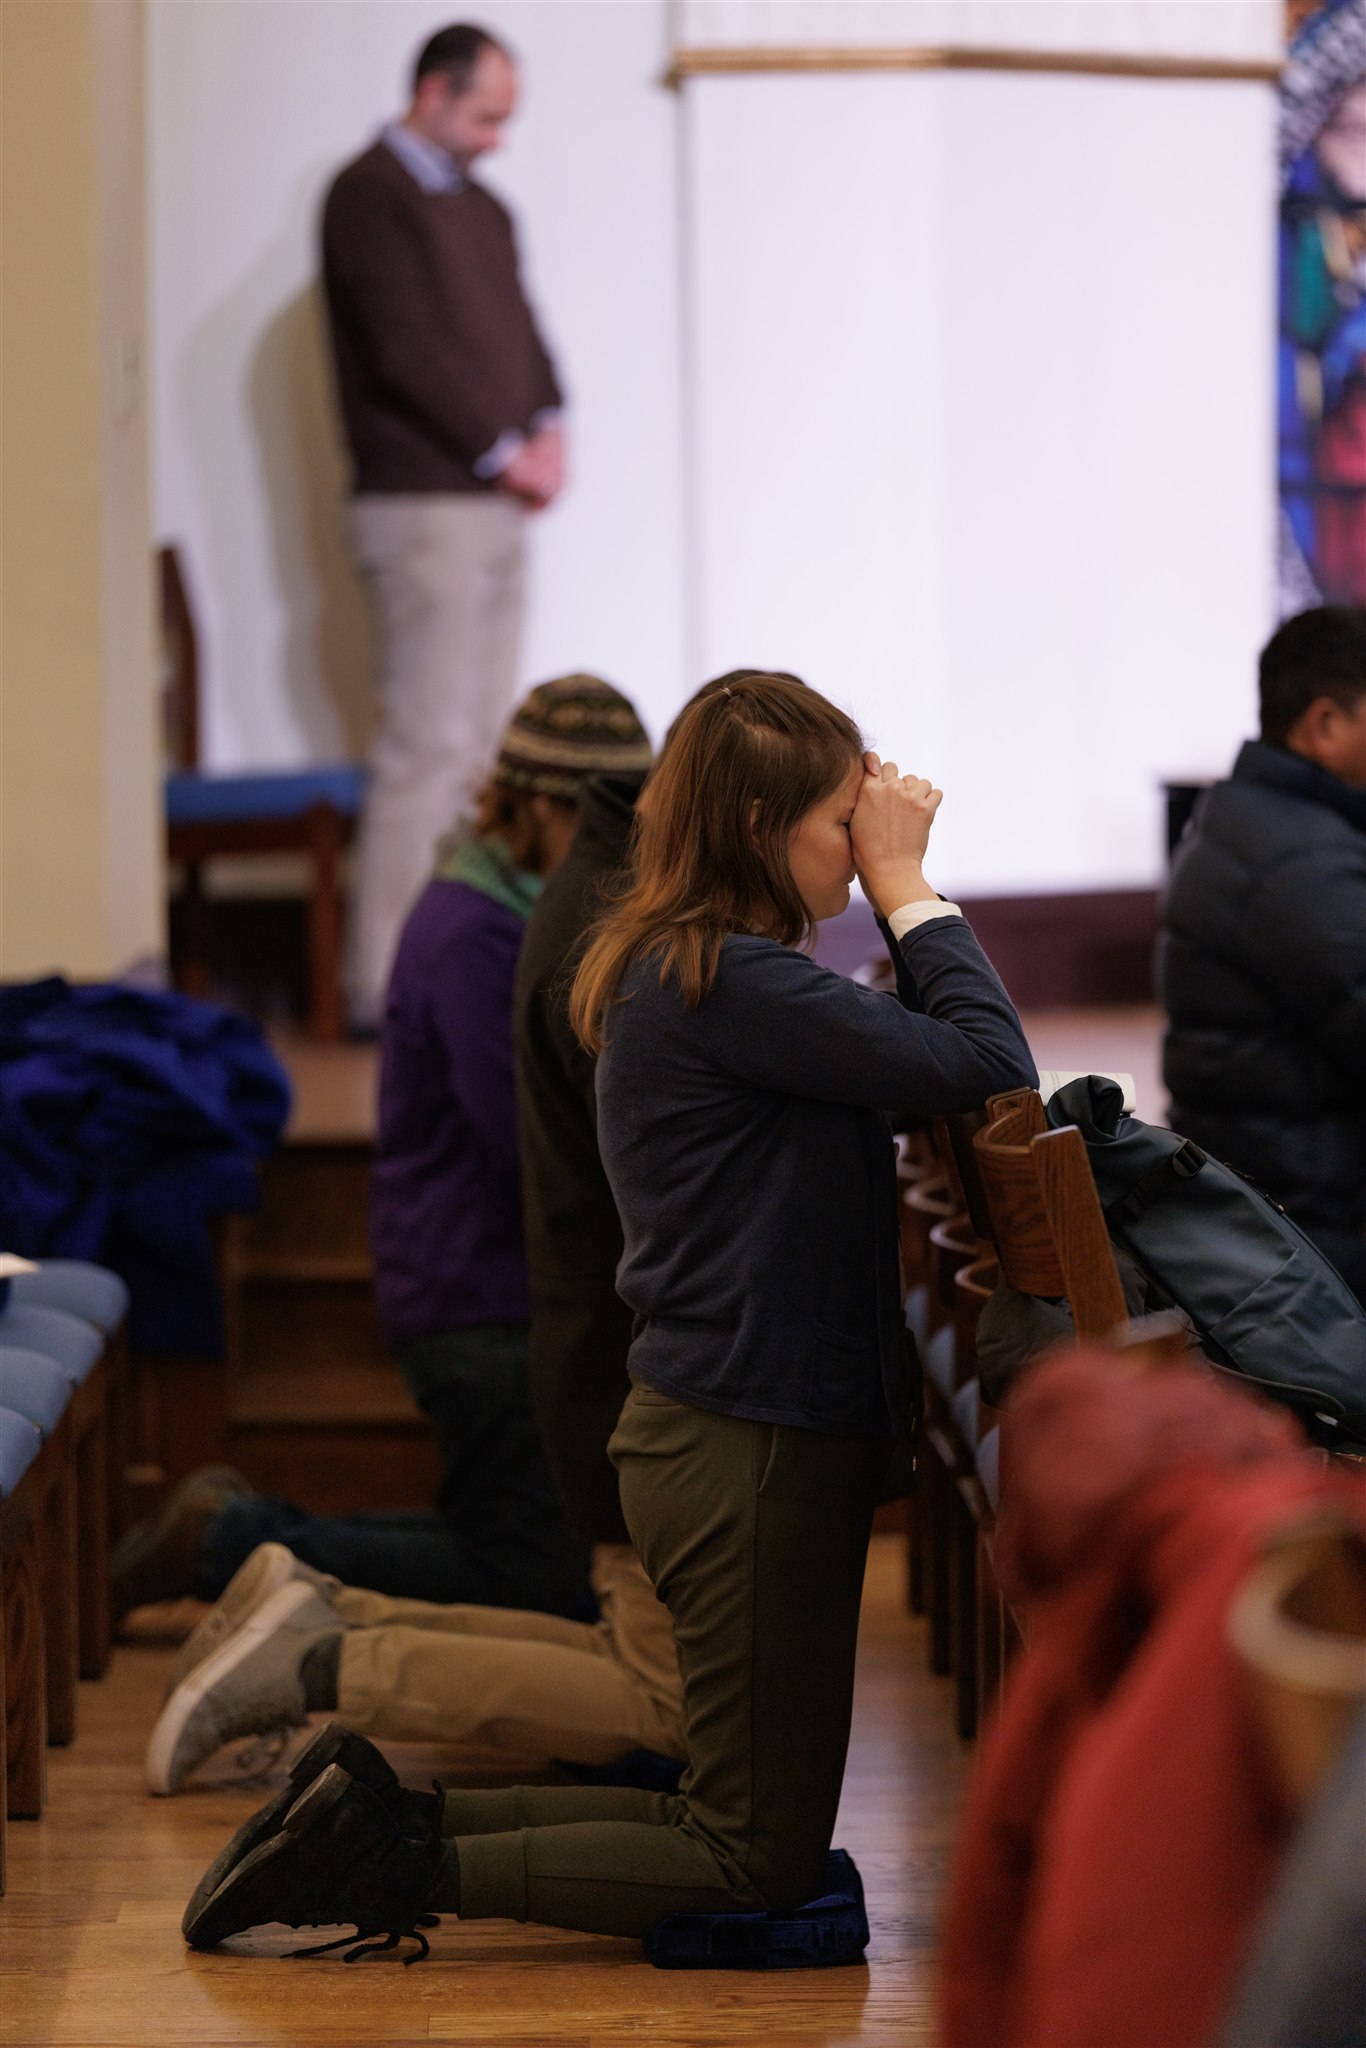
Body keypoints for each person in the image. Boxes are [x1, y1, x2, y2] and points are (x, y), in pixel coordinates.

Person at [183, 671, 1036, 1954]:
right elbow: (988, 1061)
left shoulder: (698, 967)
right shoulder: (723, 980)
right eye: (837, 823)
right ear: (757, 828)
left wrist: (886, 883)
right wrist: (912, 885)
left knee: (738, 1819)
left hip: (726, 1431)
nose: (857, 851)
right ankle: (389, 1857)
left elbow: (923, 1048)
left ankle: (373, 1826)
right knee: (748, 1850)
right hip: (748, 1445)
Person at [118, 678, 652, 1649]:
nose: (614, 850)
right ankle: (229, 1540)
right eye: (594, 818)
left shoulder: (505, 905)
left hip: (492, 1283)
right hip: (476, 1296)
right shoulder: (477, 931)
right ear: (535, 804)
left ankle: (233, 1533)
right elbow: (528, 1141)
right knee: (536, 1577)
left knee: (526, 1549)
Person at [322, 21, 567, 1027]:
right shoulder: (367, 195)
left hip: (491, 504)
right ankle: (386, 986)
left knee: (481, 757)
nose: (497, 139)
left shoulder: (486, 210)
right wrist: (498, 446)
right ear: (430, 92)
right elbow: (401, 349)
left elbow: (522, 330)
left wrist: (548, 425)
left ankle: (457, 977)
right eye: (484, 115)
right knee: (426, 749)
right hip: (423, 504)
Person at [1160, 606, 1366, 1301]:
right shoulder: (1298, 859)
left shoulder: (1265, 822)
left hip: (1269, 1205)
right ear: (1327, 724)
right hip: (1307, 1238)